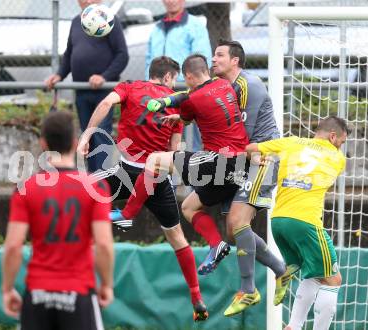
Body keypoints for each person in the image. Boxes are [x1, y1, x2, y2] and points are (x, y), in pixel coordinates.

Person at [78, 56, 209, 322]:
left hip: (126, 172)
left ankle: (79, 277)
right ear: (170, 77)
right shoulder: (175, 103)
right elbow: (174, 148)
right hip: (157, 178)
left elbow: (105, 103)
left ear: (151, 73)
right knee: (177, 238)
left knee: (83, 200)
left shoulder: (130, 87)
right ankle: (195, 295)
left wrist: (87, 135)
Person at [111, 54, 249, 277]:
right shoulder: (225, 84)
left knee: (156, 159)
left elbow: (185, 103)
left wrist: (168, 107)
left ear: (188, 76)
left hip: (220, 161)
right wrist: (177, 115)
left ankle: (127, 213)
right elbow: (192, 105)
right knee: (189, 207)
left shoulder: (192, 98)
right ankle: (216, 245)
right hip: (242, 164)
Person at [2, 111, 114, 330]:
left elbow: (14, 246)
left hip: (37, 293)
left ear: (43, 144)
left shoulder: (26, 188)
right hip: (78, 291)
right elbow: (103, 245)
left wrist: (7, 289)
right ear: (74, 143)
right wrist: (107, 284)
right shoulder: (95, 186)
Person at [211, 40, 299, 316]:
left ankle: (248, 290)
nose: (214, 59)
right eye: (213, 55)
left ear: (235, 60)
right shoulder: (223, 88)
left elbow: (241, 136)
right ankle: (281, 270)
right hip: (242, 158)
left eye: (220, 55)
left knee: (237, 223)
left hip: (263, 158)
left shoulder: (249, 85)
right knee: (234, 231)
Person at [245, 116, 349, 330]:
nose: (341, 146)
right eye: (342, 141)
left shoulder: (291, 142)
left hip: (278, 222)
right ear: (332, 137)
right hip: (306, 223)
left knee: (314, 275)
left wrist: (257, 159)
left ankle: (292, 326)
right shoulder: (338, 158)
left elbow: (250, 148)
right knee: (334, 279)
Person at [45, 0, 129, 173]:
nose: (88, 1)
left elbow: (122, 55)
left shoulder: (109, 20)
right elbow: (69, 53)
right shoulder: (77, 22)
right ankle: (91, 182)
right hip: (82, 91)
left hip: (103, 93)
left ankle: (103, 185)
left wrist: (104, 77)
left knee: (99, 134)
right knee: (86, 137)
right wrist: (59, 75)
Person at [146, 0, 212, 151]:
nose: (170, 1)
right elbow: (148, 60)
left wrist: (189, 86)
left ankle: (190, 173)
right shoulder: (156, 28)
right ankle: (160, 172)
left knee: (190, 143)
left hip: (185, 92)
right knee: (161, 138)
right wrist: (149, 86)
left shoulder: (196, 26)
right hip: (160, 93)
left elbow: (200, 59)